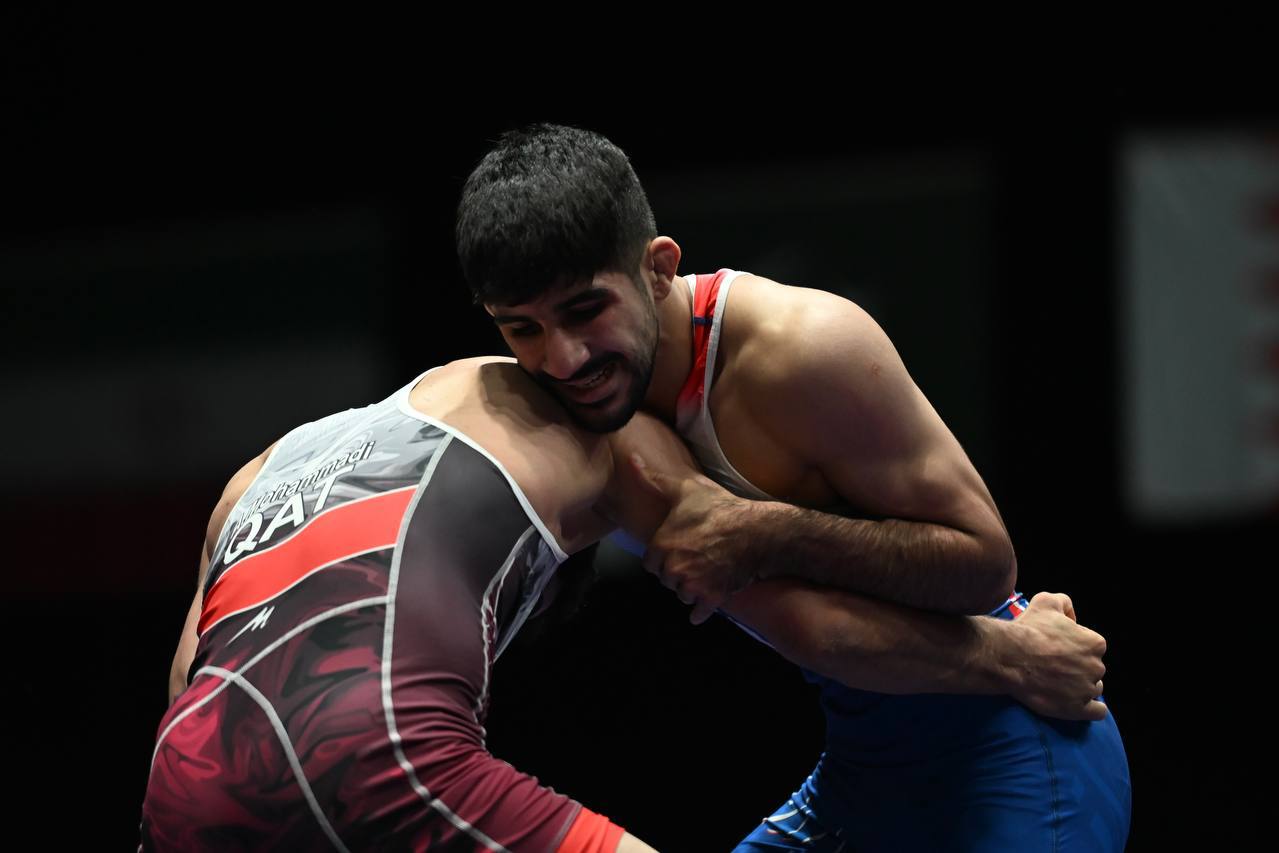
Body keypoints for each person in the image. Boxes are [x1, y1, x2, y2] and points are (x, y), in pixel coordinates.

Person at [455, 124, 1132, 851]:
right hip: (872, 762)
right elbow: (808, 627)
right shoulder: (578, 417)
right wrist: (1008, 653)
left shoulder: (802, 348)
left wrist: (763, 531)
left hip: (1015, 744)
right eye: (521, 329)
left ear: (658, 269)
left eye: (586, 310)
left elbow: (985, 567)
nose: (562, 360)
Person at [146, 358, 678, 852]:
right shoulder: (522, 400)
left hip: (188, 781)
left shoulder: (246, 483)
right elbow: (705, 530)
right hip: (371, 738)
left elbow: (186, 681)